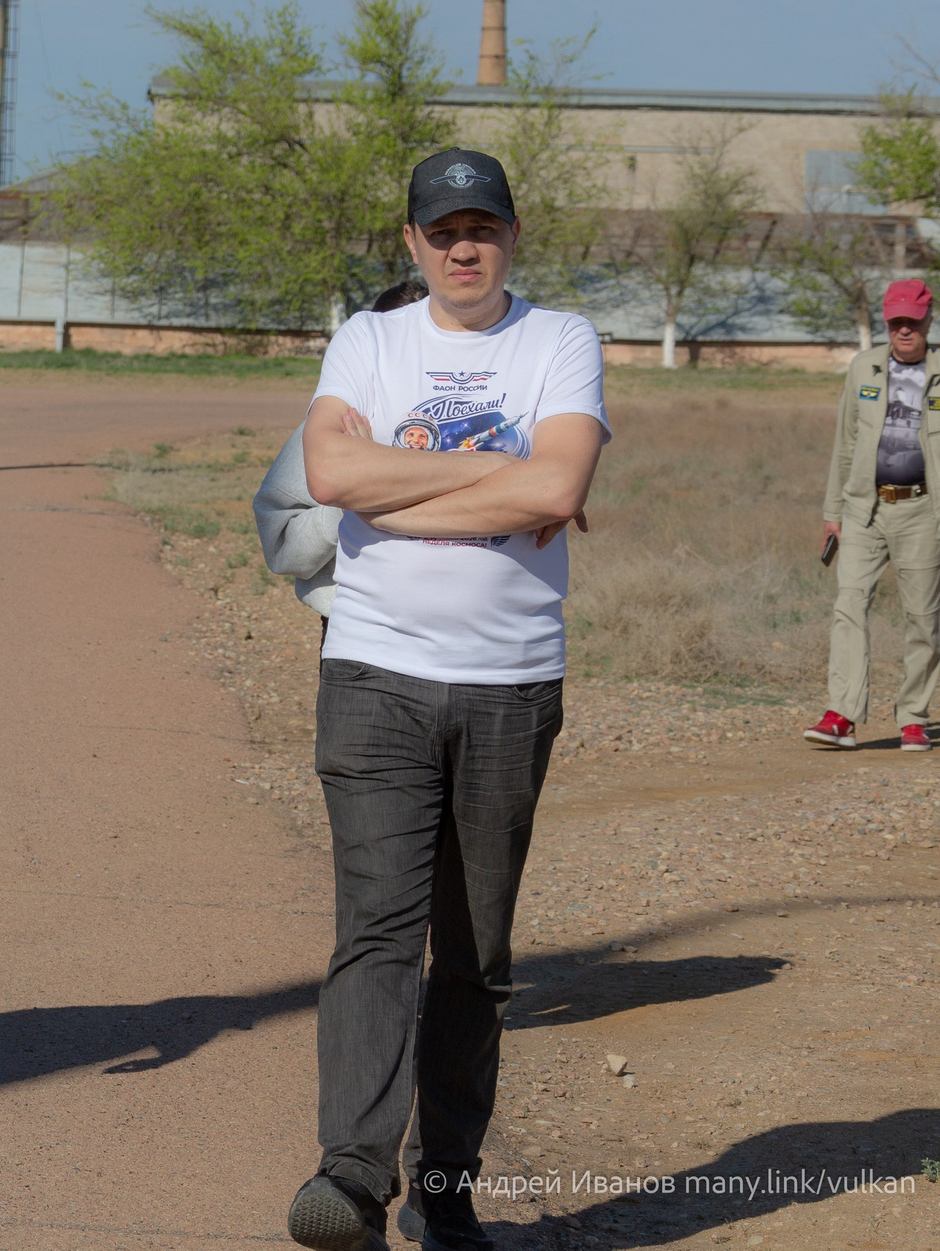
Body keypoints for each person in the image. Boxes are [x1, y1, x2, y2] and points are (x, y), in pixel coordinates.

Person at [286, 150, 609, 1251]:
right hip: (374, 671)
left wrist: (399, 486)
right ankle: (350, 1178)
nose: (461, 247)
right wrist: (490, 490)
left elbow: (557, 484)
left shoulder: (559, 339)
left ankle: (448, 1186)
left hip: (511, 683)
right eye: (440, 230)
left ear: (512, 235)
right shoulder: (368, 339)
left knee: (474, 954)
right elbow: (331, 478)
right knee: (376, 931)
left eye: (481, 227)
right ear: (412, 242)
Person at [810, 278, 940, 753]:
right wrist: (833, 511)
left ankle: (913, 717)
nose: (904, 329)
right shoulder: (864, 368)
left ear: (929, 319)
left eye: (913, 320)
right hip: (865, 508)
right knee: (849, 604)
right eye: (896, 321)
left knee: (923, 617)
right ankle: (842, 714)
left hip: (923, 511)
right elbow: (845, 445)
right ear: (886, 322)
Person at [254, 278, 429, 627]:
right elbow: (281, 548)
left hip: (474, 632)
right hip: (355, 628)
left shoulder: (481, 421)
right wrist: (355, 494)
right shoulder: (334, 429)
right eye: (398, 344)